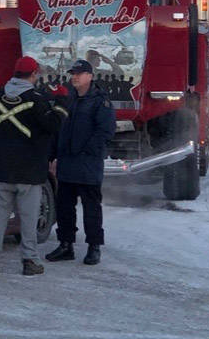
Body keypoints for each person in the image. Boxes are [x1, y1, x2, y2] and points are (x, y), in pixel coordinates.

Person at [0, 56, 69, 276]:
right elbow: (53, 125)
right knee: (29, 219)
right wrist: (61, 102)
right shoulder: (36, 99)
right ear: (34, 74)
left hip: (2, 167)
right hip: (30, 171)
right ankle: (30, 261)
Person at [46, 59, 115, 266]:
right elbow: (59, 129)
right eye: (73, 73)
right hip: (67, 164)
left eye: (79, 73)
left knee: (91, 208)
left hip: (87, 165)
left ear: (90, 76)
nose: (74, 76)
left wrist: (85, 151)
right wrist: (53, 154)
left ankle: (94, 247)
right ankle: (66, 245)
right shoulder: (70, 99)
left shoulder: (100, 101)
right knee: (64, 207)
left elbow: (105, 131)